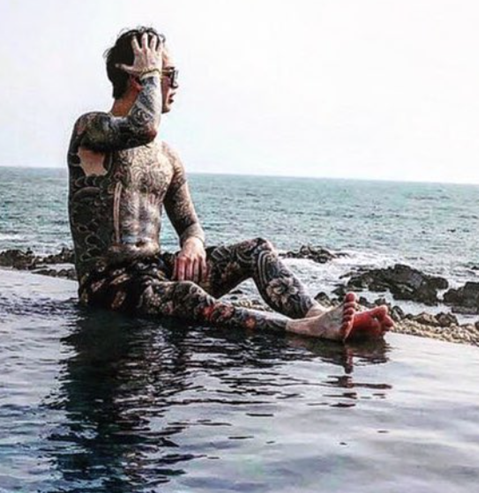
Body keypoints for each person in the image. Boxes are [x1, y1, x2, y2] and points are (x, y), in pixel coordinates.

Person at [67, 27, 394, 342]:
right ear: (137, 77)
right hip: (107, 285)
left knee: (257, 250)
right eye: (170, 74)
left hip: (156, 272)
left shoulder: (167, 157)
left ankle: (320, 316)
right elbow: (143, 128)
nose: (176, 85)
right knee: (186, 294)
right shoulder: (91, 130)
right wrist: (152, 73)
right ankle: (302, 330)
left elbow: (190, 225)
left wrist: (192, 245)